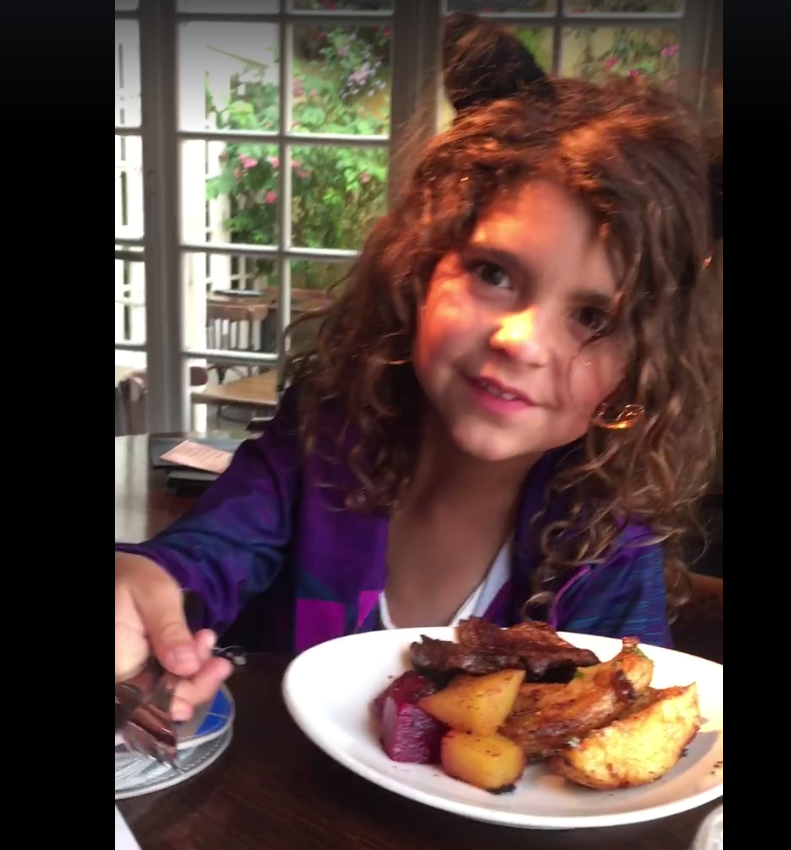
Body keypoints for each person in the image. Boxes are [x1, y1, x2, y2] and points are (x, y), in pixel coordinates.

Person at [115, 13, 723, 722]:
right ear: (421, 269)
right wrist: (148, 582)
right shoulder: (320, 439)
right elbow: (210, 553)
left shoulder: (608, 547)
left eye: (594, 317)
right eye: (494, 272)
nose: (522, 340)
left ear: (643, 366)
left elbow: (631, 726)